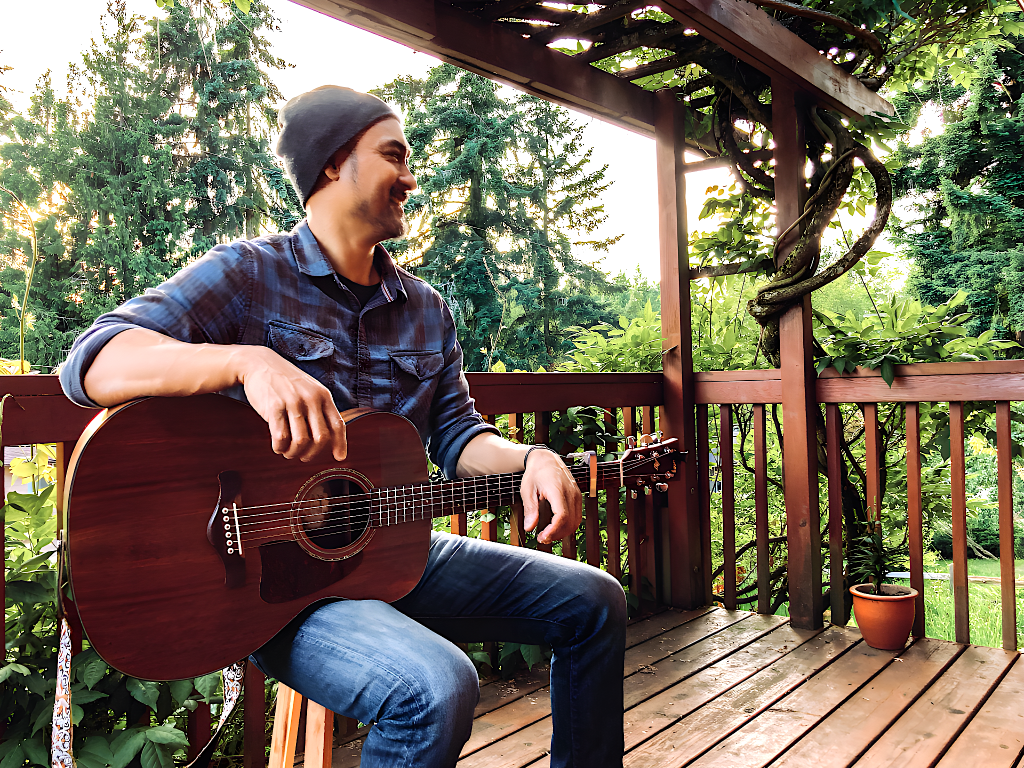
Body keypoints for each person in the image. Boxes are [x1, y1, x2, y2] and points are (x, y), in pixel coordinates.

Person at [59, 86, 626, 768]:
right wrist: (244, 363)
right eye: (394, 155)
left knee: (594, 600)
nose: (411, 178)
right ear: (332, 163)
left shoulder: (426, 311)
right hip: (278, 591)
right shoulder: (247, 277)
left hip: (397, 555)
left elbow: (457, 436)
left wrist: (528, 457)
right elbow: (91, 360)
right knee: (437, 687)